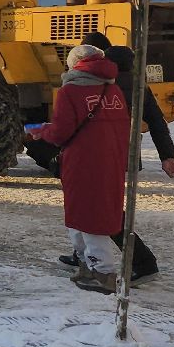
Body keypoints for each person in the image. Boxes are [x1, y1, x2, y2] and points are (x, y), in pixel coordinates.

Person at [80, 29, 174, 282]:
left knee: (106, 211)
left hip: (101, 156)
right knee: (104, 208)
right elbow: (158, 123)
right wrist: (167, 156)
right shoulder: (140, 86)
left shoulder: (101, 85)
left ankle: (143, 262)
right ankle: (84, 255)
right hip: (126, 154)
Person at [27, 45, 130, 293]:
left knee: (87, 213)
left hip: (82, 160)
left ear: (75, 65)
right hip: (111, 159)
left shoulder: (69, 91)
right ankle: (86, 263)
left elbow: (61, 132)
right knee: (97, 209)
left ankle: (103, 272)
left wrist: (43, 131)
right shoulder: (113, 88)